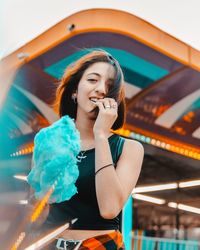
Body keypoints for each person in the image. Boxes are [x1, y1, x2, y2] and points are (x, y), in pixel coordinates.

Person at [41, 50, 144, 249]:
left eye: (109, 85)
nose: (101, 89)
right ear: (74, 91)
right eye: (92, 80)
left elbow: (109, 208)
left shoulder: (129, 148)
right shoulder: (50, 143)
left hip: (100, 245)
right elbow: (40, 210)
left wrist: (101, 135)